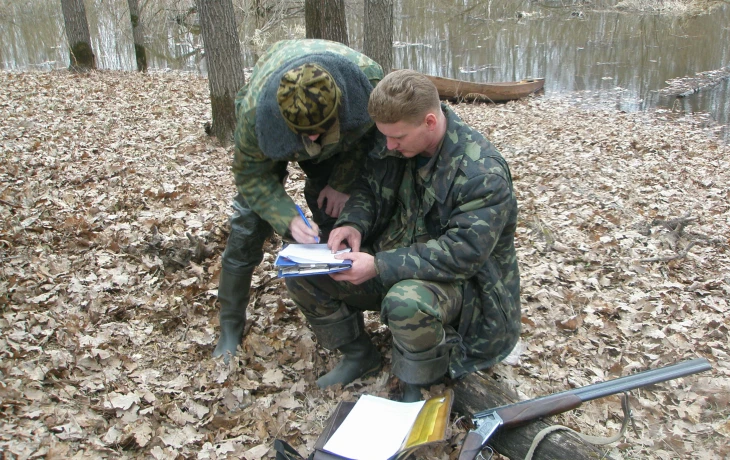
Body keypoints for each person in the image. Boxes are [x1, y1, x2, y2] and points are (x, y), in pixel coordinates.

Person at [286, 69, 521, 401]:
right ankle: (358, 355)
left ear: (429, 122)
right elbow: (368, 189)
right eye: (384, 137)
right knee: (303, 272)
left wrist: (378, 265)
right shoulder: (395, 141)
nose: (388, 145)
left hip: (465, 289)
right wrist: (352, 224)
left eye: (397, 138)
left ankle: (419, 380)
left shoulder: (480, 172)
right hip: (395, 260)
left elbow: (462, 254)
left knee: (405, 303)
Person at [213, 39, 384, 361]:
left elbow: (371, 139)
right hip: (274, 132)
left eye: (320, 130)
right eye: (307, 134)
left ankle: (351, 337)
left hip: (344, 146)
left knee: (335, 219)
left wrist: (342, 183)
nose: (313, 140)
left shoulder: (367, 86)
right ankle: (230, 324)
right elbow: (251, 176)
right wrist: (285, 216)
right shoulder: (255, 113)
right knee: (246, 228)